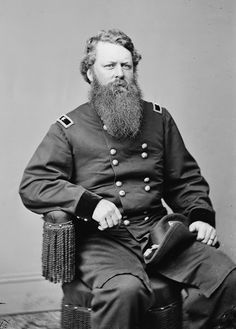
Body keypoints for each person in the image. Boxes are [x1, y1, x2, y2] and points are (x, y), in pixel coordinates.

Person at [19, 29, 236, 329]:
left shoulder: (159, 118)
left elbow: (185, 180)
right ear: (90, 74)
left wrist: (200, 216)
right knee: (125, 291)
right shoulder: (68, 128)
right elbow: (34, 184)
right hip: (103, 241)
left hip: (159, 234)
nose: (120, 74)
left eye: (127, 66)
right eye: (110, 66)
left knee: (226, 276)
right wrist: (89, 204)